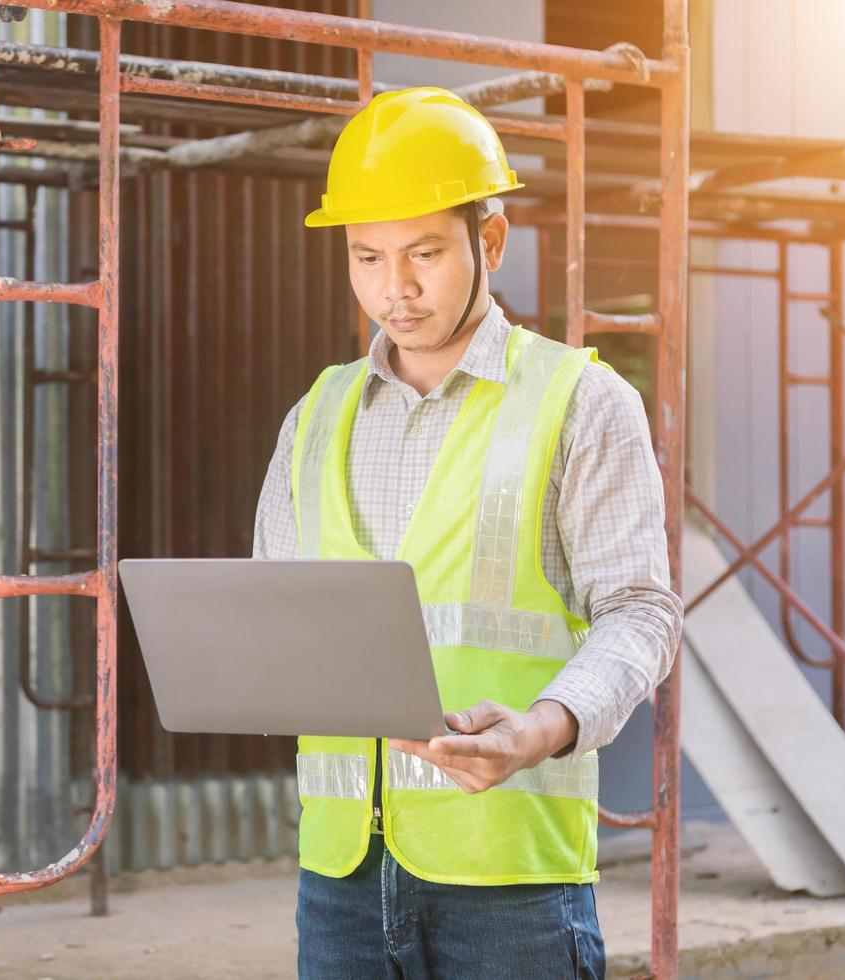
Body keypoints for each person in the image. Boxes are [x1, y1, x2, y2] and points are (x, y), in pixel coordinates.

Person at [251, 87, 682, 979]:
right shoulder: (315, 416)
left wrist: (541, 727)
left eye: (424, 253)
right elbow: (273, 613)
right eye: (366, 256)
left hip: (511, 879)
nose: (393, 288)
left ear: (489, 242)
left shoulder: (580, 404)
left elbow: (641, 612)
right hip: (337, 880)